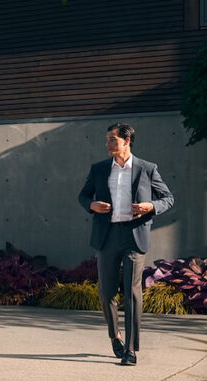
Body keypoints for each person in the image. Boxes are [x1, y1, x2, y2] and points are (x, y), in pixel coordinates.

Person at [78, 123, 174, 366]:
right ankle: (115, 336)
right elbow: (83, 195)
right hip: (107, 236)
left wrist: (150, 206)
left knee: (132, 293)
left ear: (126, 141)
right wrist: (92, 205)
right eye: (108, 139)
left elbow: (167, 198)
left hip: (134, 236)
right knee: (106, 292)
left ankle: (130, 350)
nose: (108, 143)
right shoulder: (99, 169)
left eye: (112, 139)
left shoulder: (147, 169)